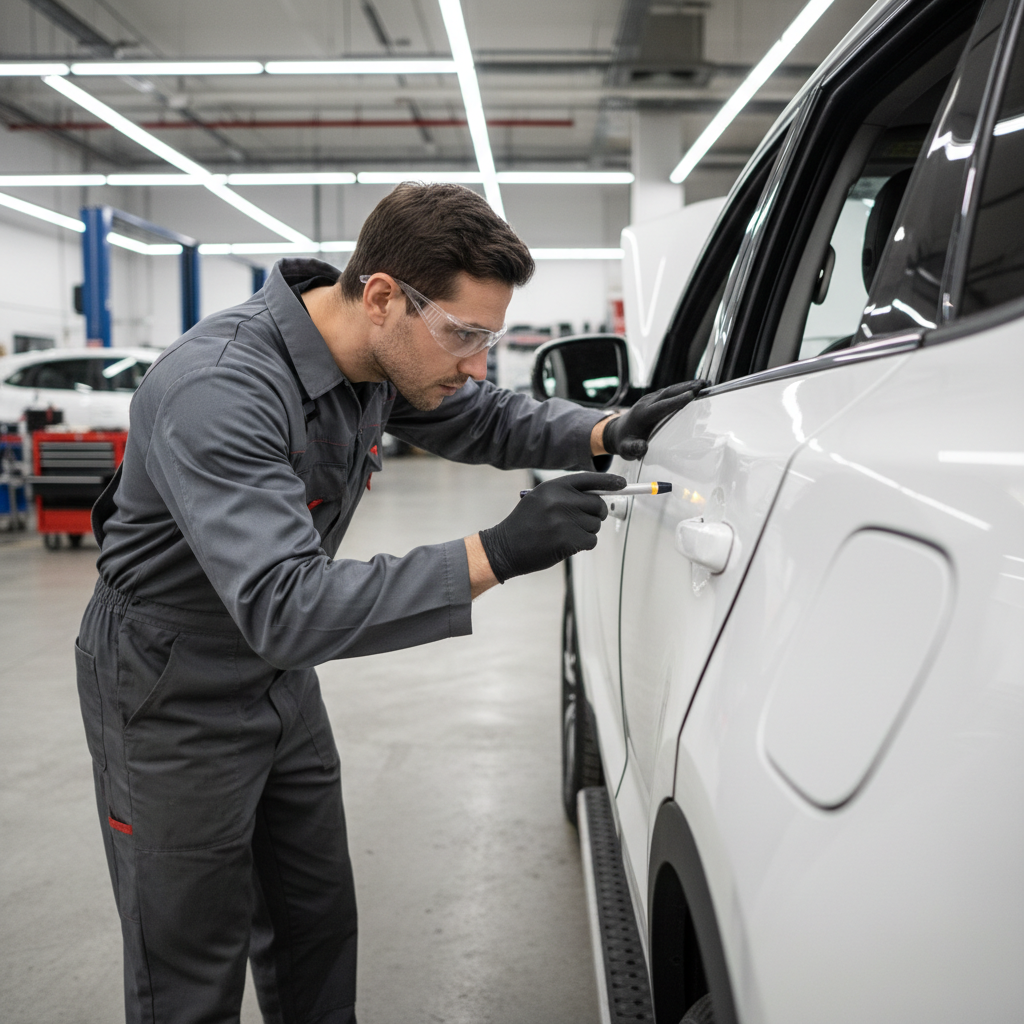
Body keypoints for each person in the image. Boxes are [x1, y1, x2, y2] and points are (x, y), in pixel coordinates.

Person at [74, 182, 704, 1023]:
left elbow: (479, 416)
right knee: (189, 962)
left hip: (277, 678)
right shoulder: (220, 389)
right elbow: (288, 604)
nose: (478, 361)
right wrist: (498, 551)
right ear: (382, 297)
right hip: (166, 681)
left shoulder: (371, 354)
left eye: (490, 336)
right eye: (466, 335)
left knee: (313, 922)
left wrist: (605, 428)